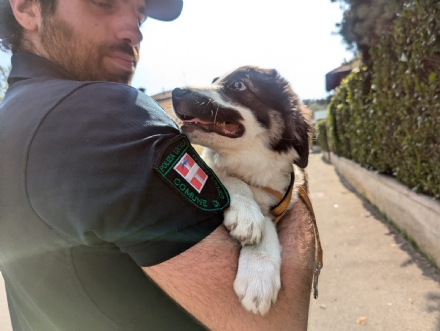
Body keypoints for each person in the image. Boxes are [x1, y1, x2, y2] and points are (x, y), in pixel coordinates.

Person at [0, 0, 317, 330]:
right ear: (27, 8)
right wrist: (295, 185)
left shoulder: (13, 120)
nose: (134, 30)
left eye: (140, 12)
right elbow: (274, 324)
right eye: (104, 2)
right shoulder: (109, 116)